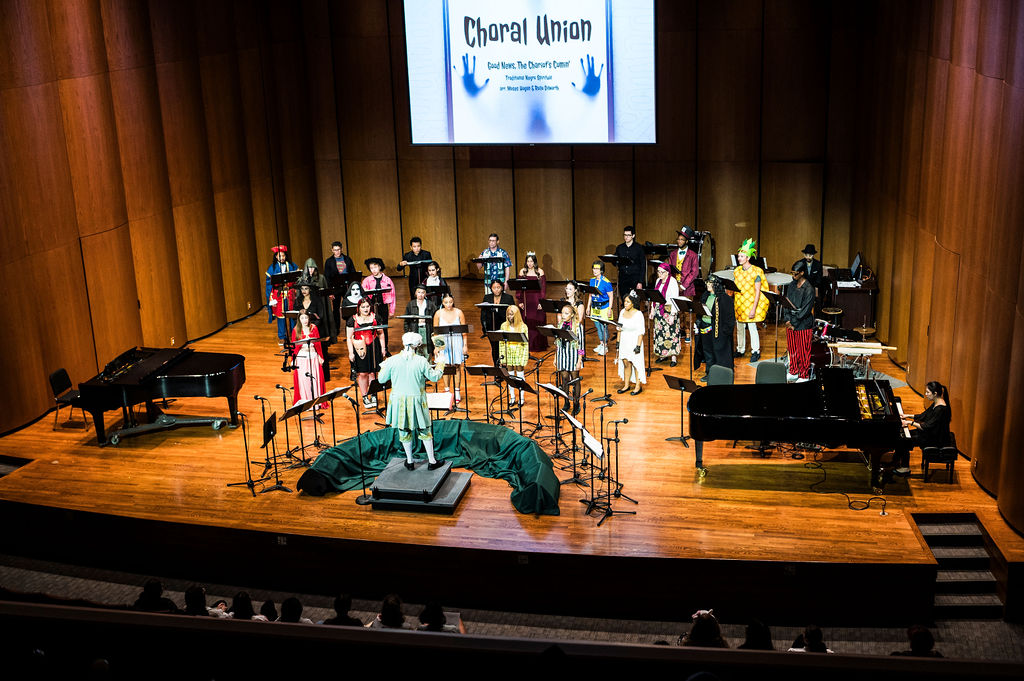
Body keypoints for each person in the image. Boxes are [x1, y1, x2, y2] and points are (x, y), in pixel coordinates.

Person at [378, 333, 447, 470]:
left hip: (399, 401)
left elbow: (381, 380)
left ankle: (409, 461)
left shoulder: (392, 360)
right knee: (424, 429)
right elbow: (434, 377)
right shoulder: (421, 361)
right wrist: (441, 363)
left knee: (404, 429)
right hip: (416, 400)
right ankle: (432, 461)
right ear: (417, 345)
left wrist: (384, 366)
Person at [893, 380, 951, 475]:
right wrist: (906, 415)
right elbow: (923, 415)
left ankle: (905, 467)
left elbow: (927, 427)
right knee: (902, 436)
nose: (926, 394)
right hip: (930, 433)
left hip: (935, 438)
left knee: (904, 440)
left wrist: (909, 422)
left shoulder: (941, 409)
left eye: (928, 392)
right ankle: (895, 461)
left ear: (935, 393)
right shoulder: (937, 402)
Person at [733, 238, 769, 362]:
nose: (739, 258)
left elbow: (758, 291)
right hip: (739, 304)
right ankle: (740, 349)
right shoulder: (737, 271)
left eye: (742, 256)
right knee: (740, 327)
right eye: (738, 256)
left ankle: (755, 351)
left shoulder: (756, 271)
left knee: (752, 327)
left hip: (751, 303)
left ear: (748, 257)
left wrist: (754, 308)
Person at [347, 298, 386, 409]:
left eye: (367, 306)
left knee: (373, 373)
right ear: (359, 308)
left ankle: (373, 395)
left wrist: (383, 348)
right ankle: (365, 397)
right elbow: (349, 338)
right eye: (363, 307)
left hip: (373, 347)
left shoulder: (376, 318)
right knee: (363, 373)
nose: (365, 309)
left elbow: (381, 334)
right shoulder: (352, 320)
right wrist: (351, 353)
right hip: (360, 349)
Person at [695, 276, 735, 381]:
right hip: (705, 329)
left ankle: (722, 375)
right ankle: (710, 374)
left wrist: (725, 332)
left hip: (718, 332)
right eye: (707, 283)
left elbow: (730, 318)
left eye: (710, 283)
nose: (708, 285)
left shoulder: (725, 299)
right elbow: (700, 310)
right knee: (708, 353)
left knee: (719, 353)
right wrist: (698, 322)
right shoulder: (705, 295)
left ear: (716, 284)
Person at [294, 279, 333, 381]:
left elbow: (320, 315)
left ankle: (323, 377)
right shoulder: (298, 300)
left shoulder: (317, 300)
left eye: (306, 288)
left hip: (317, 329)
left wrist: (311, 327)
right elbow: (295, 316)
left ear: (310, 289)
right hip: (303, 330)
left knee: (321, 352)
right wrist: (304, 327)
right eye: (302, 289)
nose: (304, 291)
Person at [784, 259, 816, 382]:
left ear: (802, 273)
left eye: (795, 273)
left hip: (802, 323)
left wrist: (793, 323)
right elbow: (787, 302)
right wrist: (787, 320)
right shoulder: (792, 285)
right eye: (792, 273)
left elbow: (806, 310)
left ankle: (803, 375)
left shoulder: (809, 289)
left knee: (803, 350)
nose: (793, 276)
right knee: (792, 349)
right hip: (791, 321)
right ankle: (794, 371)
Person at [433, 292, 468, 402]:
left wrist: (465, 345)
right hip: (444, 342)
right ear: (442, 303)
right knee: (445, 367)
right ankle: (447, 391)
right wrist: (437, 346)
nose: (448, 304)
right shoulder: (438, 314)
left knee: (457, 366)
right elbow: (435, 332)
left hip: (457, 340)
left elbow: (464, 331)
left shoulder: (459, 312)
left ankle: (457, 391)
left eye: (450, 302)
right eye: (446, 302)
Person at [669, 226, 700, 342]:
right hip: (675, 286)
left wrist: (683, 285)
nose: (679, 241)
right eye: (678, 239)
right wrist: (673, 285)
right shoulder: (673, 254)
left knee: (687, 311)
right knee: (677, 310)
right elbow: (670, 269)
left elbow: (694, 272)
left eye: (682, 239)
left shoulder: (693, 255)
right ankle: (679, 331)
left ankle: (687, 333)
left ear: (686, 241)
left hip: (687, 288)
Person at [554, 303, 585, 415]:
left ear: (572, 315)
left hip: (574, 356)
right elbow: (557, 343)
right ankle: (566, 402)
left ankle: (576, 403)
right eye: (562, 313)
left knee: (575, 379)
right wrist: (556, 357)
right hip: (562, 355)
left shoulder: (577, 326)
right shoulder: (560, 325)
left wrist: (579, 360)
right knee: (565, 379)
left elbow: (581, 345)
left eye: (566, 313)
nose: (563, 315)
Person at [650, 262, 682, 367]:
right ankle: (662, 354)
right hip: (659, 309)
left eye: (662, 272)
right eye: (658, 272)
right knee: (660, 333)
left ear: (667, 272)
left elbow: (675, 300)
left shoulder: (672, 282)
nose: (659, 274)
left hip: (669, 310)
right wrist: (652, 310)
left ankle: (673, 357)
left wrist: (673, 315)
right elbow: (654, 296)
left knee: (671, 333)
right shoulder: (658, 281)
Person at [291, 310, 325, 406]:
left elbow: (318, 344)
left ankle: (315, 402)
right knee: (304, 381)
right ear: (299, 319)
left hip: (313, 356)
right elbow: (294, 348)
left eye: (306, 317)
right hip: (302, 358)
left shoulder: (314, 328)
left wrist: (320, 356)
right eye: (302, 318)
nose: (305, 320)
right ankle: (305, 402)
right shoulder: (295, 330)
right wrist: (293, 360)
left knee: (314, 379)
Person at [265, 245, 298, 343]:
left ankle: (294, 335)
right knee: (281, 316)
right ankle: (282, 336)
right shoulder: (272, 268)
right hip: (278, 295)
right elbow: (268, 285)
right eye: (280, 256)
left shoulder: (292, 265)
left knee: (292, 315)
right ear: (276, 257)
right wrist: (271, 298)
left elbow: (297, 279)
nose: (282, 258)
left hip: (290, 294)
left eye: (283, 256)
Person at [515, 251, 548, 352]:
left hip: (536, 300)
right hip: (527, 300)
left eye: (531, 261)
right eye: (528, 261)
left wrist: (541, 302)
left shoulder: (540, 272)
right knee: (526, 321)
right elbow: (519, 288)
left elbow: (543, 289)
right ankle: (526, 344)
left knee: (537, 321)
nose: (530, 263)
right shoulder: (522, 272)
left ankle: (537, 345)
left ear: (535, 262)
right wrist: (520, 300)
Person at [616, 291, 646, 395]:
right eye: (624, 301)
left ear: (633, 303)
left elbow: (641, 332)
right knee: (626, 363)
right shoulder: (622, 312)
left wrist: (638, 346)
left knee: (636, 363)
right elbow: (619, 328)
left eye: (628, 302)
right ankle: (626, 385)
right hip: (624, 341)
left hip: (634, 342)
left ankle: (638, 386)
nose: (625, 303)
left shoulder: (638, 314)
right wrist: (618, 342)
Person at [362, 257, 396, 349]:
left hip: (383, 306)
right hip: (371, 307)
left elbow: (393, 296)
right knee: (372, 327)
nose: (373, 270)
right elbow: (363, 296)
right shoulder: (366, 280)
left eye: (375, 267)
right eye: (371, 268)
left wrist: (392, 310)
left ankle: (385, 348)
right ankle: (374, 347)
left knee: (384, 327)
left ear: (380, 267)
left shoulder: (388, 280)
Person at [500, 305, 530, 405]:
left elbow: (526, 344)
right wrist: (502, 357)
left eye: (512, 314)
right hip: (509, 353)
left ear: (516, 315)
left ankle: (521, 397)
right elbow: (501, 343)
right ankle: (512, 396)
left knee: (520, 375)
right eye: (508, 315)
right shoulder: (504, 326)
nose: (510, 317)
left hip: (519, 352)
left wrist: (524, 358)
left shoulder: (523, 327)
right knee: (510, 376)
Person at [324, 241, 355, 337]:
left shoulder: (347, 259)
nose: (337, 252)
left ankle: (349, 327)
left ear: (341, 249)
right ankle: (336, 328)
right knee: (336, 309)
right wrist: (330, 292)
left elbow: (353, 273)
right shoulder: (329, 261)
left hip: (346, 287)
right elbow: (327, 277)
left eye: (338, 249)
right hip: (335, 288)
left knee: (348, 307)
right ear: (332, 250)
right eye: (335, 250)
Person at [480, 279, 515, 365]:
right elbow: (483, 315)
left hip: (504, 327)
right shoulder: (487, 298)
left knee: (504, 348)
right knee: (494, 348)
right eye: (494, 288)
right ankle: (497, 369)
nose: (496, 289)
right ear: (491, 288)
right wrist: (485, 329)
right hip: (491, 327)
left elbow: (513, 312)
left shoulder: (508, 298)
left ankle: (505, 368)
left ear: (502, 287)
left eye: (498, 287)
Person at [587, 260, 615, 356]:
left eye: (597, 269)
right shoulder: (592, 281)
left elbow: (611, 296)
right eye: (594, 268)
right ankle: (601, 343)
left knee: (603, 327)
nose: (594, 270)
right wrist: (588, 307)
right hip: (595, 307)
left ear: (601, 270)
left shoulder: (606, 282)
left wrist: (609, 309)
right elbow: (590, 295)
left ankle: (605, 346)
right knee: (597, 327)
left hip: (604, 307)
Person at [614, 225, 646, 298]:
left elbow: (643, 265)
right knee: (624, 299)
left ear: (633, 236)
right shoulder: (620, 247)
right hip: (623, 278)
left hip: (635, 279)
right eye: (625, 235)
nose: (626, 237)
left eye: (628, 235)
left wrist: (640, 282)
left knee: (635, 301)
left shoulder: (639, 248)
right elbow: (615, 261)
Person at [402, 283, 437, 350]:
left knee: (427, 350)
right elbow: (406, 320)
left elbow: (435, 318)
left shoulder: (430, 304)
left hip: (426, 329)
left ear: (425, 294)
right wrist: (407, 333)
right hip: (415, 329)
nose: (420, 295)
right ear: (415, 293)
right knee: (416, 350)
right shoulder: (411, 304)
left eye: (423, 293)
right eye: (419, 292)